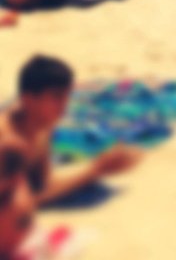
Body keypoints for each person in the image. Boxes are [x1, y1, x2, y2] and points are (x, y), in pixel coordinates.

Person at [1, 55, 142, 251]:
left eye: (67, 96)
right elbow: (17, 206)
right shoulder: (7, 140)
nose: (65, 105)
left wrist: (98, 169)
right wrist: (95, 171)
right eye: (57, 96)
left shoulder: (43, 126)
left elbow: (44, 187)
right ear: (28, 99)